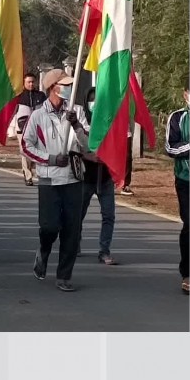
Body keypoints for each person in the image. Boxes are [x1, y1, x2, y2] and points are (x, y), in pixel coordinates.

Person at [21, 68, 90, 292]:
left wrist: (77, 126)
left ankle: (64, 275)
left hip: (74, 178)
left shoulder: (77, 111)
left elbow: (88, 145)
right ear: (53, 88)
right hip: (49, 179)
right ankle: (44, 250)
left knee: (72, 230)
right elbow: (25, 146)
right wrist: (50, 159)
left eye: (70, 85)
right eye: (65, 85)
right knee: (49, 226)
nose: (69, 88)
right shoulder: (38, 115)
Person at [76, 88, 118, 265]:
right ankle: (74, 243)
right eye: (91, 100)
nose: (94, 103)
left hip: (105, 178)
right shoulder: (80, 122)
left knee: (108, 216)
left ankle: (104, 251)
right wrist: (88, 156)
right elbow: (74, 148)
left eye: (98, 100)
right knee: (78, 214)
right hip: (86, 177)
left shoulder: (110, 122)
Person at [166, 78, 190, 294]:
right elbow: (171, 148)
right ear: (186, 94)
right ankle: (188, 273)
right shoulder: (178, 117)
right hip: (186, 180)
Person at [16, 73, 47, 186]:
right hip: (22, 128)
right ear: (24, 83)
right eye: (28, 82)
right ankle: (28, 175)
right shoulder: (19, 97)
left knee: (36, 151)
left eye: (32, 82)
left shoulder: (41, 96)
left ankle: (35, 170)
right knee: (25, 151)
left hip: (38, 129)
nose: (31, 84)